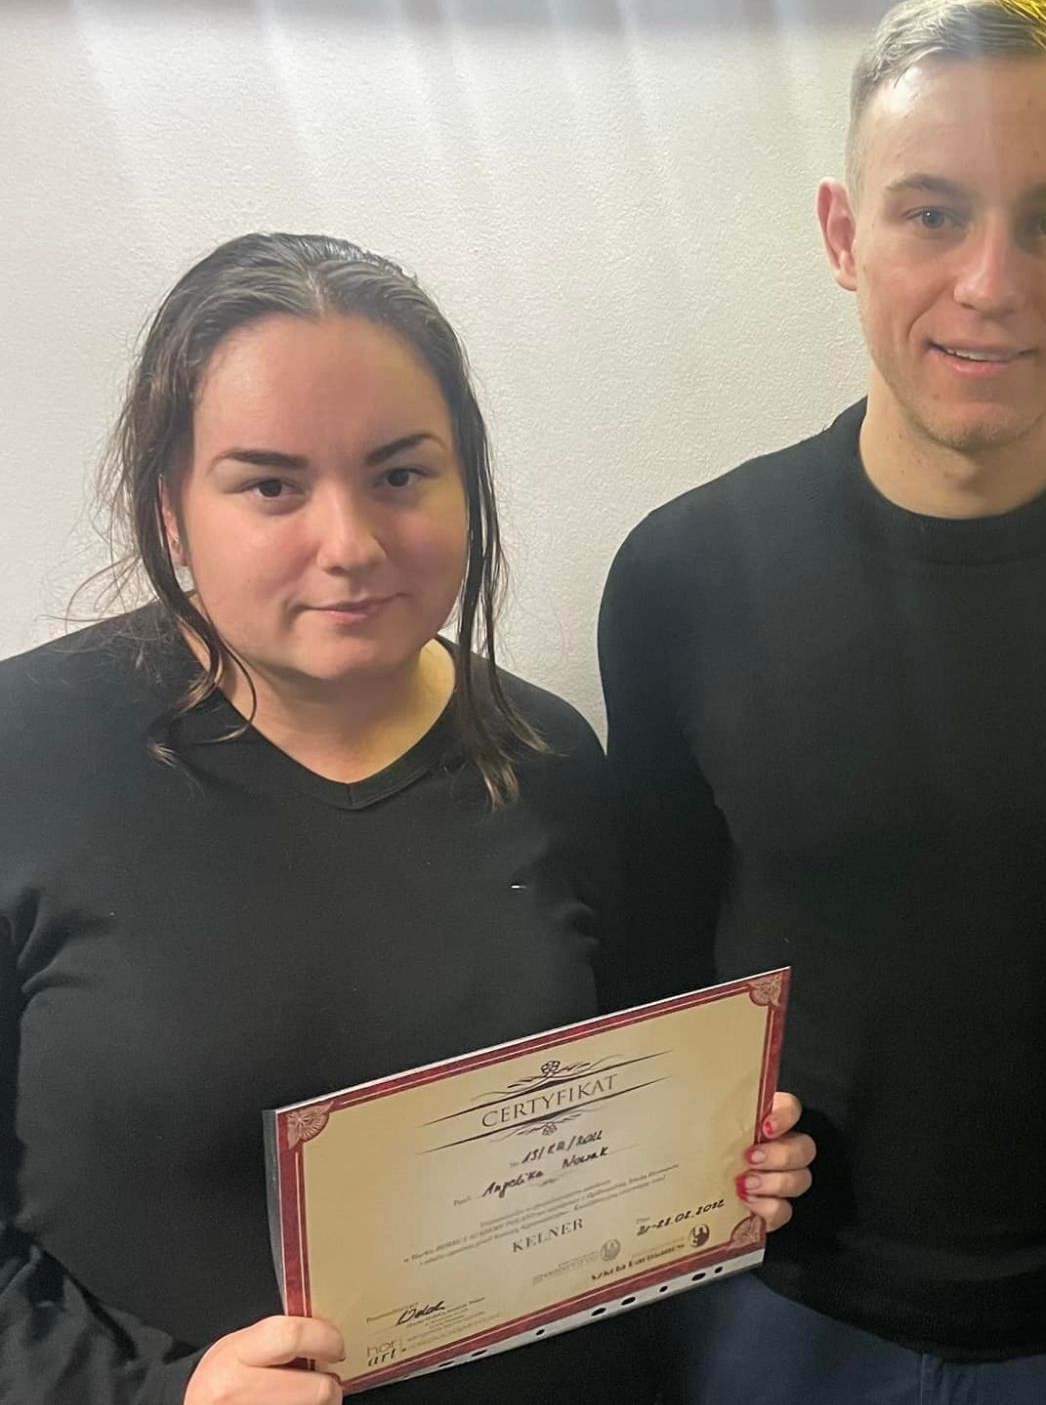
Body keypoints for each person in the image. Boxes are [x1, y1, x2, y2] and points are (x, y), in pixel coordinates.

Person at [598, 0, 1046, 1405]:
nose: (991, 281)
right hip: (762, 1316)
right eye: (932, 213)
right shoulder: (683, 576)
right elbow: (648, 974)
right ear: (842, 234)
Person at [0, 233, 814, 1405]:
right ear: (169, 508)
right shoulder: (26, 754)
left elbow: (614, 1110)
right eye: (271, 484)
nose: (351, 545)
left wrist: (716, 1162)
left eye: (399, 474)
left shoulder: (549, 755)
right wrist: (158, 1396)